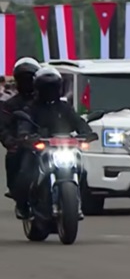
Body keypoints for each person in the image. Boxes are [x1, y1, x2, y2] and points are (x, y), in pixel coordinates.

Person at [12, 67, 96, 219]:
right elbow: (24, 124)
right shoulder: (31, 108)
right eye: (46, 87)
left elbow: (78, 122)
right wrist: (26, 136)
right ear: (38, 88)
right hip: (39, 150)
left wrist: (87, 133)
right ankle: (22, 205)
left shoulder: (65, 108)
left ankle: (78, 203)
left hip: (64, 148)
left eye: (53, 87)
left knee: (84, 170)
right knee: (25, 173)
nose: (50, 91)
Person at [0, 58, 41, 200]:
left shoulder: (46, 102)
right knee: (12, 156)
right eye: (23, 79)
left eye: (30, 79)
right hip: (23, 143)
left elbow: (62, 118)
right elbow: (3, 125)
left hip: (47, 142)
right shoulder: (10, 104)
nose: (27, 82)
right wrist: (9, 140)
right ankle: (15, 189)